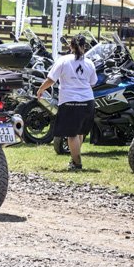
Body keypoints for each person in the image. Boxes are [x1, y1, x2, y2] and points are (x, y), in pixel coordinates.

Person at [36, 34, 98, 171]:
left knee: (72, 134)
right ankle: (74, 160)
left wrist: (41, 89)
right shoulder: (90, 62)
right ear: (85, 46)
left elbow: (51, 79)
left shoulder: (63, 60)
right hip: (88, 101)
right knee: (80, 132)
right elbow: (93, 83)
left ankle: (77, 163)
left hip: (70, 101)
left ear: (70, 46)